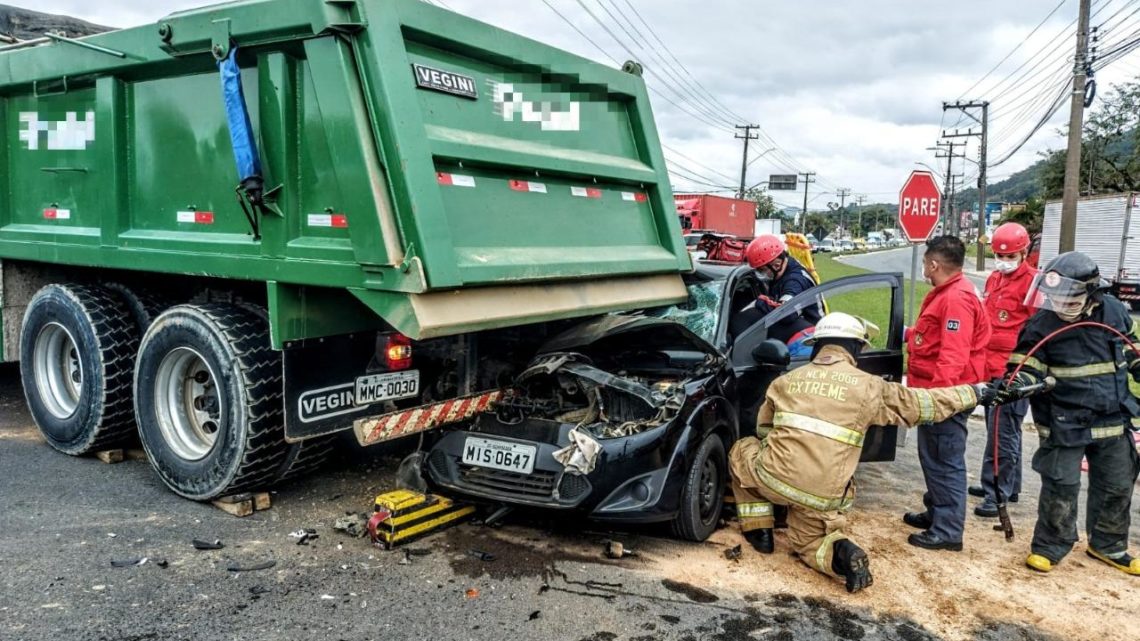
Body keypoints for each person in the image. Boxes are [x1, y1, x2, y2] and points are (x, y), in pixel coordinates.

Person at [729, 312, 999, 593]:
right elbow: (924, 405)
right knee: (809, 544)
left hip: (773, 479)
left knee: (741, 450)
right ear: (857, 348)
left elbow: (763, 432)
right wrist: (975, 393)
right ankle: (844, 552)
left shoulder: (786, 381)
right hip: (823, 495)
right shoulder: (870, 387)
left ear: (817, 345)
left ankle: (759, 530)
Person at [1000, 251, 1140, 575]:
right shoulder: (1041, 324)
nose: (1060, 304)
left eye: (1068, 298)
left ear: (1092, 293)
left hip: (1112, 416)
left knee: (1117, 484)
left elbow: (1131, 350)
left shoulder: (1114, 312)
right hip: (1064, 419)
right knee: (1060, 485)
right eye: (1053, 297)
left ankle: (1108, 545)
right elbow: (1025, 367)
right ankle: (1050, 546)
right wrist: (1016, 384)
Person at [902, 236, 991, 551]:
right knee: (933, 456)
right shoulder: (947, 293)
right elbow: (933, 337)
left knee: (944, 459)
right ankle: (936, 511)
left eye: (926, 262)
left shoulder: (956, 298)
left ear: (934, 264)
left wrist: (936, 401)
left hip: (946, 396)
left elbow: (953, 356)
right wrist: (909, 335)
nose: (925, 267)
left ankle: (949, 530)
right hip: (937, 391)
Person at [969, 223, 1036, 518]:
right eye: (999, 255)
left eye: (1010, 256)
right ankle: (1010, 485)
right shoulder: (995, 278)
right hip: (991, 364)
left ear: (1024, 252)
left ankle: (997, 493)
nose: (1003, 260)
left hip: (1013, 367)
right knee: (1000, 428)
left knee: (1002, 433)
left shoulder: (1034, 284)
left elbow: (1036, 330)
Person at [744, 234, 824, 325]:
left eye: (762, 270)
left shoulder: (794, 281)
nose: (761, 274)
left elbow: (786, 313)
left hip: (810, 333)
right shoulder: (784, 268)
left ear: (777, 265)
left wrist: (759, 303)